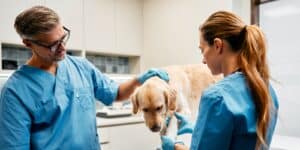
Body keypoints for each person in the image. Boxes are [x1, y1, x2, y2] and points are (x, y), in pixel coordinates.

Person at [0, 6, 169, 149]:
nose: (62, 48)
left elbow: (115, 93)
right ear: (28, 43)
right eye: (52, 44)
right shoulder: (15, 92)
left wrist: (140, 79)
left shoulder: (81, 67)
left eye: (63, 38)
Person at [161, 10, 279, 150]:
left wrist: (174, 147)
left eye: (202, 49)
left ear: (218, 45)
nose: (203, 60)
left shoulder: (217, 97)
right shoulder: (267, 90)